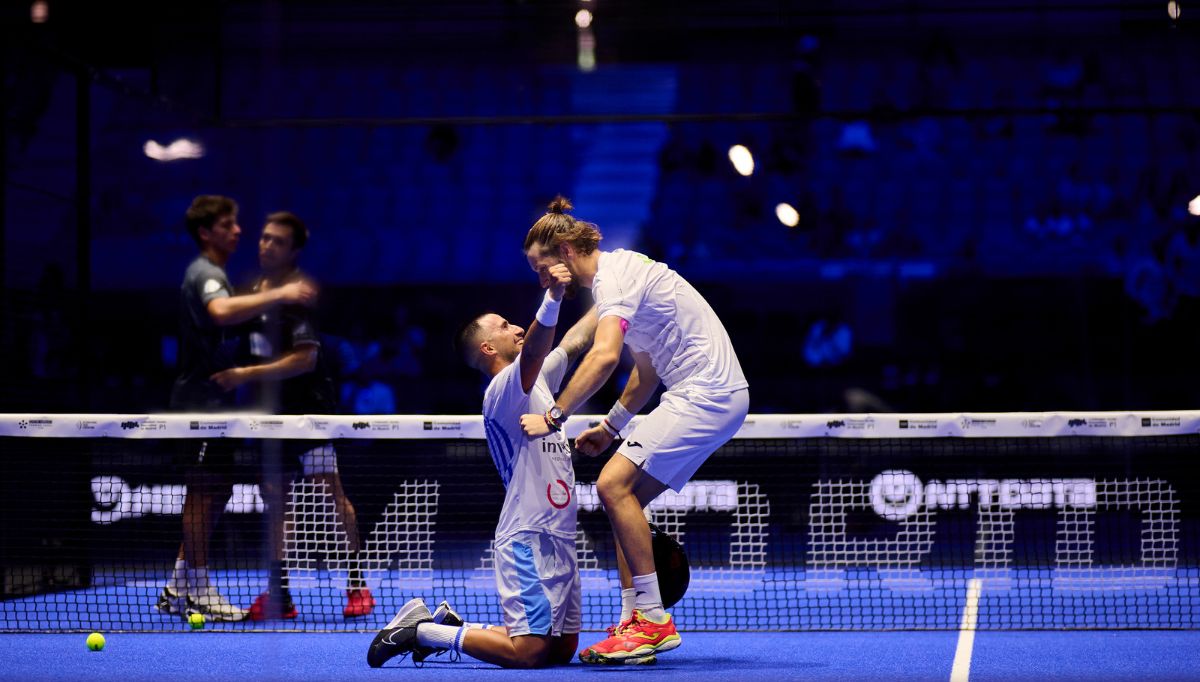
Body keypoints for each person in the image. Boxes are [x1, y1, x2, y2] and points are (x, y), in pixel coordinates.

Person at [520, 196, 749, 664]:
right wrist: (610, 427)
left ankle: (652, 620)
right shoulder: (620, 281)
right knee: (625, 501)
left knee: (612, 484)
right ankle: (636, 621)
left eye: (543, 268)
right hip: (711, 394)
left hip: (706, 390)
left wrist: (555, 416)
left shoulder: (615, 279)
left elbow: (605, 356)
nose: (542, 279)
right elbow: (645, 373)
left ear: (565, 252)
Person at [368, 262, 597, 669]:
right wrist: (553, 296)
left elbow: (574, 342)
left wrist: (615, 297)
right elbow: (538, 347)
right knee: (529, 653)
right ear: (488, 349)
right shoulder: (502, 390)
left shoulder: (538, 380)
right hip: (527, 536)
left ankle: (452, 625)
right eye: (505, 326)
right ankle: (421, 632)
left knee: (561, 650)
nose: (517, 328)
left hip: (559, 535)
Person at [207, 211, 375, 620]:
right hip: (270, 417)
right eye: (265, 237)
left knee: (329, 494)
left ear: (294, 251)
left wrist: (244, 375)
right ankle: (279, 595)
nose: (267, 245)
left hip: (309, 414)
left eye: (278, 241)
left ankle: (357, 586)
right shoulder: (254, 292)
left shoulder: (298, 297)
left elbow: (305, 359)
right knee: (275, 499)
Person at [157, 195, 315, 622]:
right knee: (204, 493)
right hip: (200, 404)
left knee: (215, 490)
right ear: (206, 233)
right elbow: (221, 311)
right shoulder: (206, 273)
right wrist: (281, 292)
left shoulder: (217, 273)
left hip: (217, 404)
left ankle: (177, 586)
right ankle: (199, 589)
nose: (239, 231)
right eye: (228, 225)